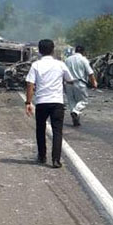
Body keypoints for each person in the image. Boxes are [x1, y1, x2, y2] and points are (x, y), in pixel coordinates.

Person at [25, 39, 74, 168]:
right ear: (53, 50)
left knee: (40, 129)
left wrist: (28, 102)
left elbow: (30, 84)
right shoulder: (60, 65)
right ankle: (56, 160)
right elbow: (70, 79)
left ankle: (42, 156)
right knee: (57, 131)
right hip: (57, 102)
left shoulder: (36, 65)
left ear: (40, 51)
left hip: (41, 102)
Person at [64, 45, 97, 126]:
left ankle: (75, 118)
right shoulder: (84, 60)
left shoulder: (67, 60)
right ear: (83, 52)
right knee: (83, 101)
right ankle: (75, 112)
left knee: (71, 101)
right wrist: (94, 83)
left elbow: (63, 72)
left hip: (68, 83)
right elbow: (90, 73)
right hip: (80, 83)